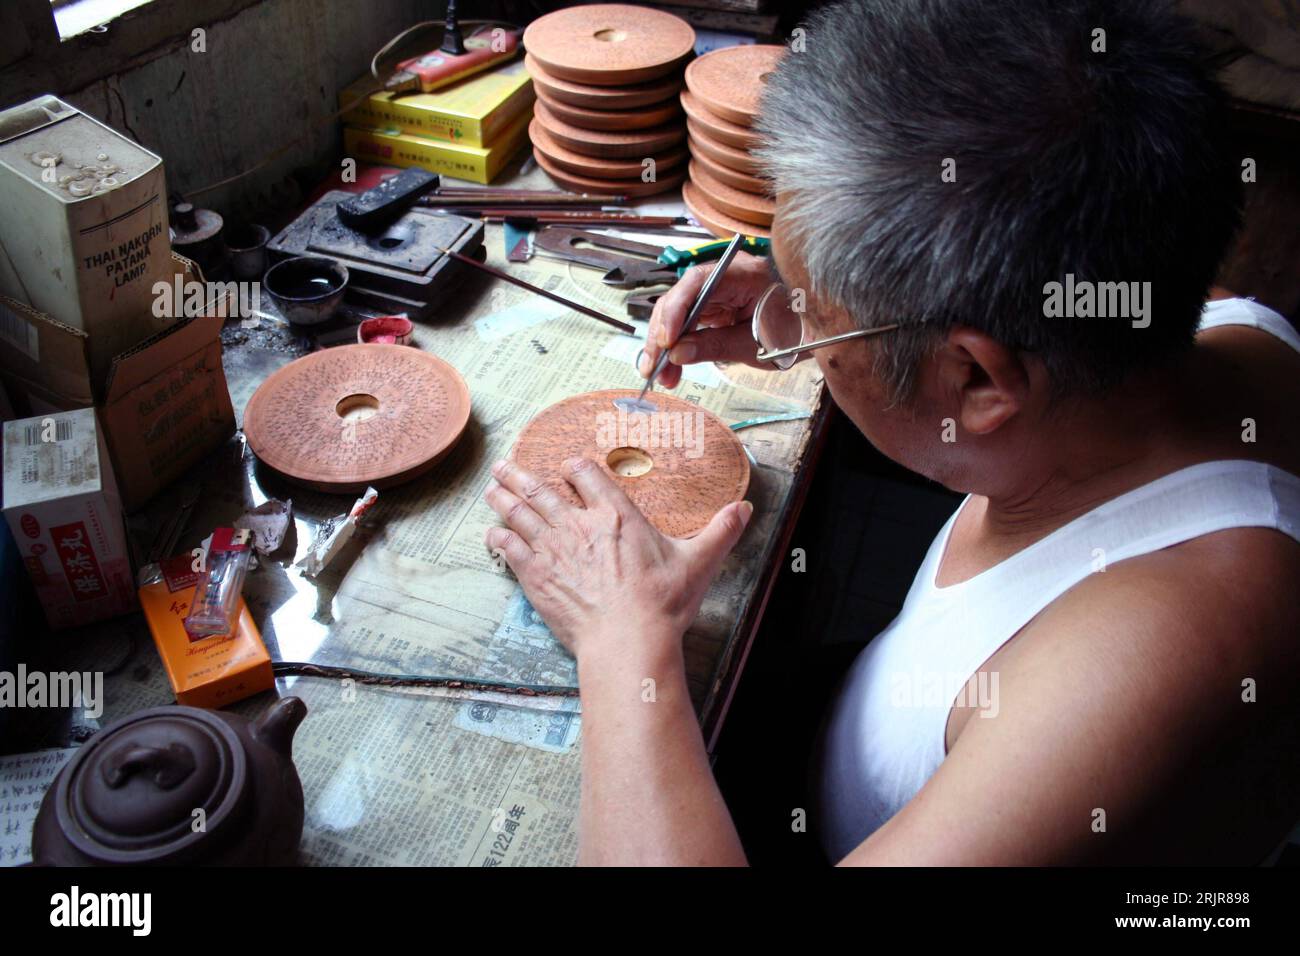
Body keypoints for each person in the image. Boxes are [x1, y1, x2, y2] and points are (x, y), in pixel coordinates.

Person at [483, 0, 1300, 865]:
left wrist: (624, 641)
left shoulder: (1146, 665)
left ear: (977, 380)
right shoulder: (1204, 324)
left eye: (820, 318)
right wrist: (813, 309)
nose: (787, 314)